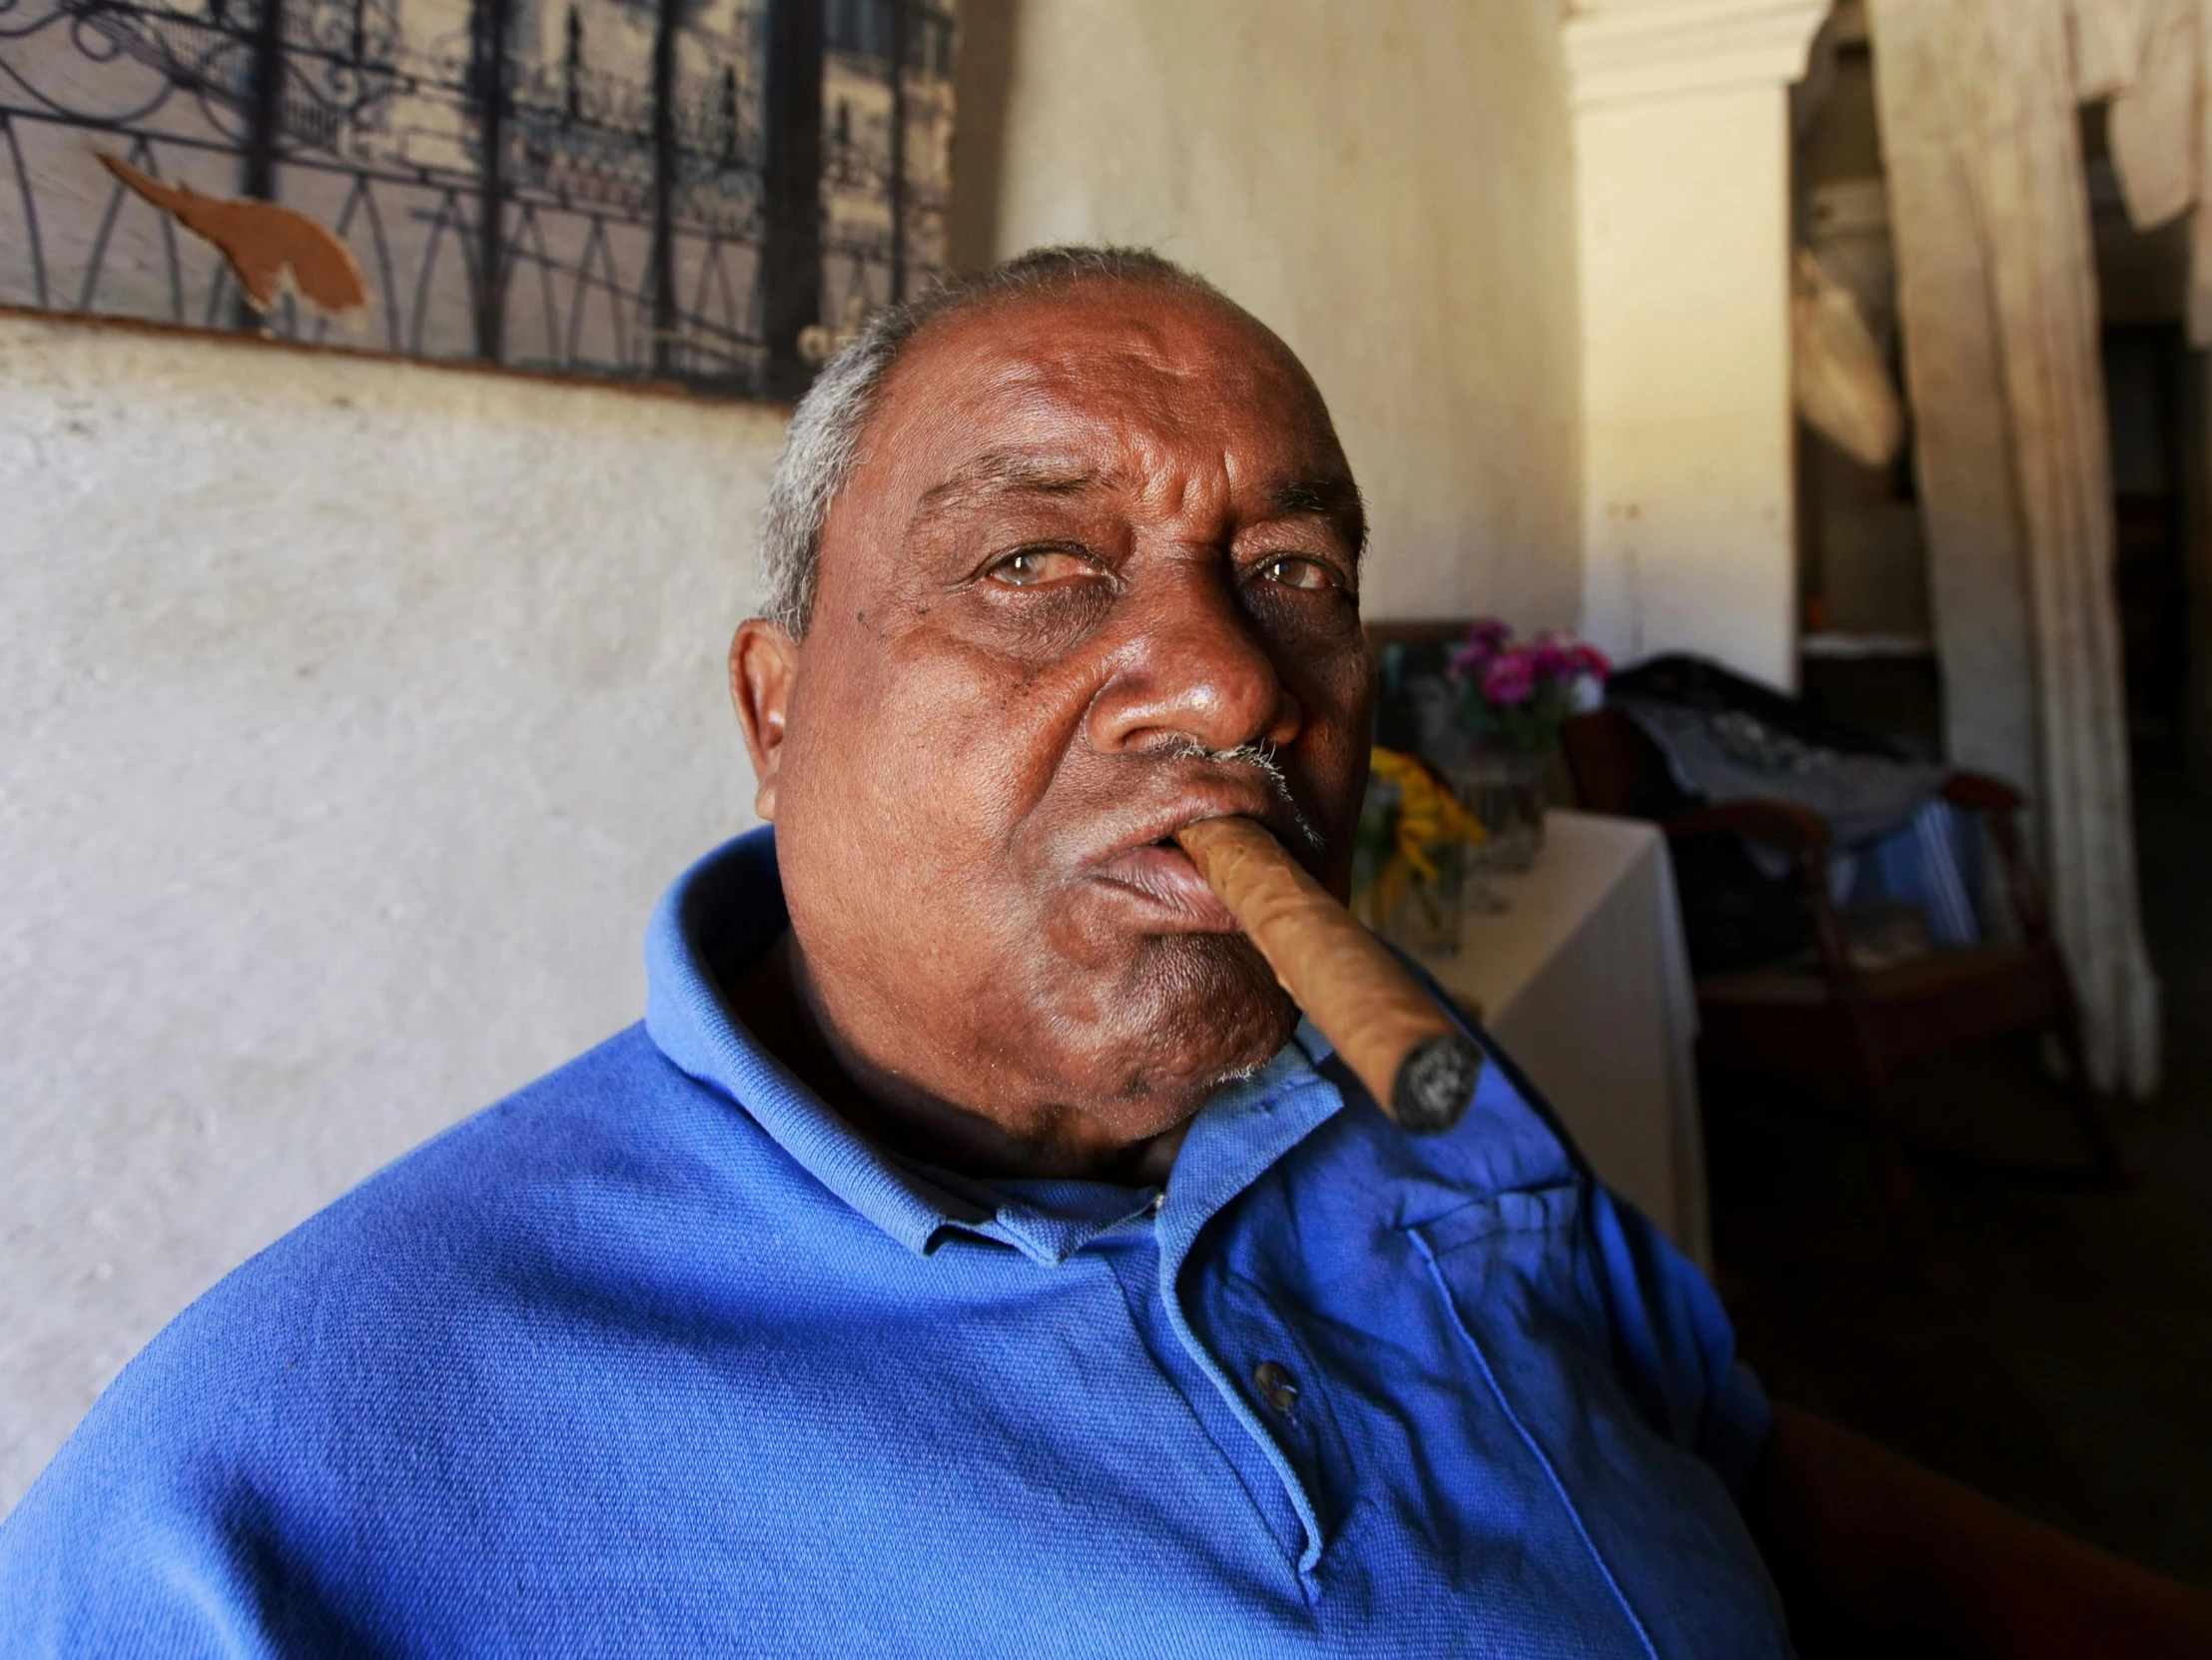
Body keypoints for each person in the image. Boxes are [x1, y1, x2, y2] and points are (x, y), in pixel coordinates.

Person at [4, 247, 2208, 1658]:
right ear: (780, 711)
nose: (1236, 685)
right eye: (1044, 563)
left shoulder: (1397, 1064)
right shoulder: (278, 1489)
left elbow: (1721, 1453)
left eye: (1296, 570)